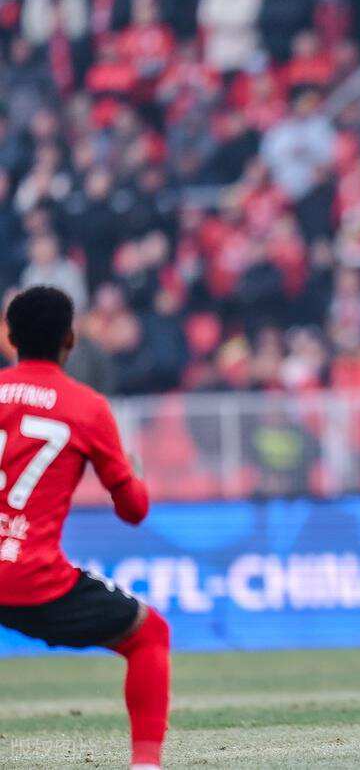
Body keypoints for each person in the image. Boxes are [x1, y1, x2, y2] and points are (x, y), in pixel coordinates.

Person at [0, 286, 169, 769]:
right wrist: (133, 474)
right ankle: (145, 764)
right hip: (31, 577)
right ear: (70, 340)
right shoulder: (86, 407)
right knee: (149, 635)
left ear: (10, 338)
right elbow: (133, 511)